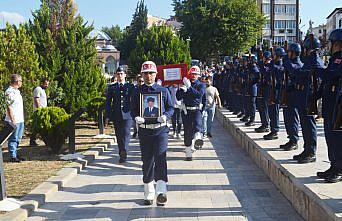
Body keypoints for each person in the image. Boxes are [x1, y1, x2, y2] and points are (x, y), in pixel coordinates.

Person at [132, 61, 174, 206]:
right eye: (145, 73)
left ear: (156, 74)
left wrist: (166, 116)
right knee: (147, 160)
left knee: (161, 159)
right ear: (141, 75)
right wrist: (135, 117)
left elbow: (170, 108)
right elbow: (132, 109)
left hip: (160, 130)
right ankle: (148, 191)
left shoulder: (163, 90)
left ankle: (161, 191)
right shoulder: (137, 91)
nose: (148, 76)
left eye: (151, 73)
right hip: (144, 131)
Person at [290, 35, 324, 164]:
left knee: (309, 125)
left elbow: (302, 74)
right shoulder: (310, 60)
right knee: (304, 125)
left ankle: (311, 151)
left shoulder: (314, 60)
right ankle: (307, 149)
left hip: (309, 98)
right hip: (305, 97)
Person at [316, 29, 342, 183]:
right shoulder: (334, 59)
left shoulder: (340, 60)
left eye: (332, 43)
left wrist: (318, 70)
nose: (331, 46)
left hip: (338, 106)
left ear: (338, 44)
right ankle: (333, 165)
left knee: (337, 138)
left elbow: (331, 74)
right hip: (329, 104)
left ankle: (339, 169)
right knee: (330, 137)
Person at [105, 67, 135, 163]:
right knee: (119, 135)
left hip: (128, 114)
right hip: (117, 114)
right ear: (115, 75)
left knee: (126, 133)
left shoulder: (130, 87)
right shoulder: (112, 87)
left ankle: (124, 150)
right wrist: (108, 116)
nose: (120, 76)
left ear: (125, 75)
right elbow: (108, 103)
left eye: (121, 73)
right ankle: (121, 151)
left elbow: (134, 100)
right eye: (118, 74)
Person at [176, 66, 206, 161]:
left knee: (197, 125)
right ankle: (188, 152)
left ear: (198, 75)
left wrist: (189, 87)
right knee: (188, 131)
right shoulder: (184, 83)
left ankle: (198, 139)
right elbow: (178, 97)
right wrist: (182, 89)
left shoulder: (201, 85)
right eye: (192, 74)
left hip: (196, 109)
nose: (193, 76)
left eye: (195, 74)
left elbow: (199, 95)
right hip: (186, 110)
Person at [280, 43, 301, 151]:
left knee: (293, 118)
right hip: (287, 94)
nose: (287, 54)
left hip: (294, 95)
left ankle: (294, 140)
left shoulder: (298, 64)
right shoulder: (289, 63)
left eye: (289, 52)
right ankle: (290, 138)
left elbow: (293, 69)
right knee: (287, 118)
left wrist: (286, 60)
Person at [264, 47, 286, 140]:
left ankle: (275, 130)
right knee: (271, 112)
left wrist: (270, 64)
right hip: (271, 89)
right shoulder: (273, 64)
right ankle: (273, 130)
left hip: (276, 91)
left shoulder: (280, 65)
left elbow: (278, 71)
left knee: (274, 112)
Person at [5, 74, 25, 163]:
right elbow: (9, 106)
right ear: (17, 81)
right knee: (13, 138)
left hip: (20, 119)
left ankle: (15, 154)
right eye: (21, 81)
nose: (21, 83)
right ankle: (12, 156)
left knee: (18, 138)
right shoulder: (9, 92)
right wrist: (13, 120)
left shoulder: (17, 91)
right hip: (13, 120)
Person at [30, 77, 49, 146]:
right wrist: (39, 110)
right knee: (38, 126)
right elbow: (36, 100)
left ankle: (34, 140)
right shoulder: (38, 89)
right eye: (46, 84)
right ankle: (33, 141)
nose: (47, 86)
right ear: (41, 83)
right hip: (39, 111)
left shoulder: (42, 90)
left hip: (43, 111)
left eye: (47, 84)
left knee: (39, 127)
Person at [255, 51, 271, 133]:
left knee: (264, 108)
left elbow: (267, 75)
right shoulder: (263, 66)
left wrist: (262, 66)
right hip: (261, 88)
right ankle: (263, 123)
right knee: (261, 107)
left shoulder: (269, 66)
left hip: (266, 89)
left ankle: (266, 124)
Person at [244, 56, 260, 127]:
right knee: (249, 104)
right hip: (250, 88)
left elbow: (257, 78)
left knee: (252, 104)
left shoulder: (254, 69)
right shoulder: (250, 69)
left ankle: (252, 119)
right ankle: (250, 118)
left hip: (253, 89)